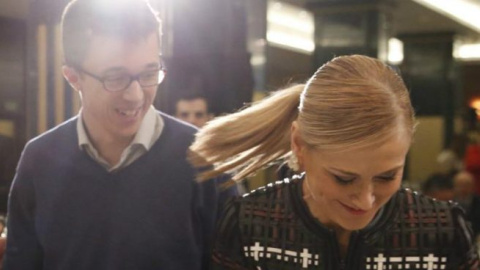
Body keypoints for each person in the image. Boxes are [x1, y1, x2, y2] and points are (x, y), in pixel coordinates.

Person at [189, 55, 479, 269]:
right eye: (344, 178)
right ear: (299, 145)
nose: (365, 201)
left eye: (387, 176)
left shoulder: (442, 231)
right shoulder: (249, 224)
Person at [4, 0, 232, 269]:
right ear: (73, 76)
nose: (135, 96)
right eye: (115, 78)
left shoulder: (205, 159)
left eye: (149, 73)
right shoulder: (40, 160)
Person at [453, 171, 480, 239]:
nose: (463, 188)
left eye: (467, 185)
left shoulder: (478, 202)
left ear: (473, 186)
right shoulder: (449, 202)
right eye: (460, 185)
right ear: (455, 186)